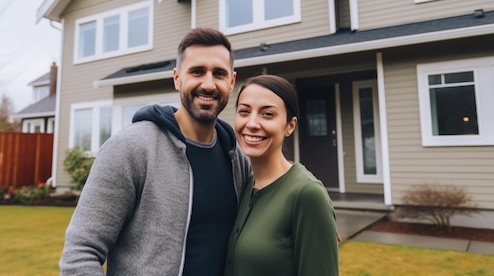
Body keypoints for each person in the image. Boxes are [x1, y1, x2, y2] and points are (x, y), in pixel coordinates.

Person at [59, 27, 252, 276]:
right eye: (196, 71)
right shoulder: (131, 148)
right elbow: (79, 254)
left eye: (219, 73)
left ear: (231, 81)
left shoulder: (237, 159)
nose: (208, 83)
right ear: (177, 78)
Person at [224, 74, 339, 276]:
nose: (251, 123)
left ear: (290, 126)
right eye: (244, 111)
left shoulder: (307, 194)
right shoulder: (245, 184)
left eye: (267, 114)